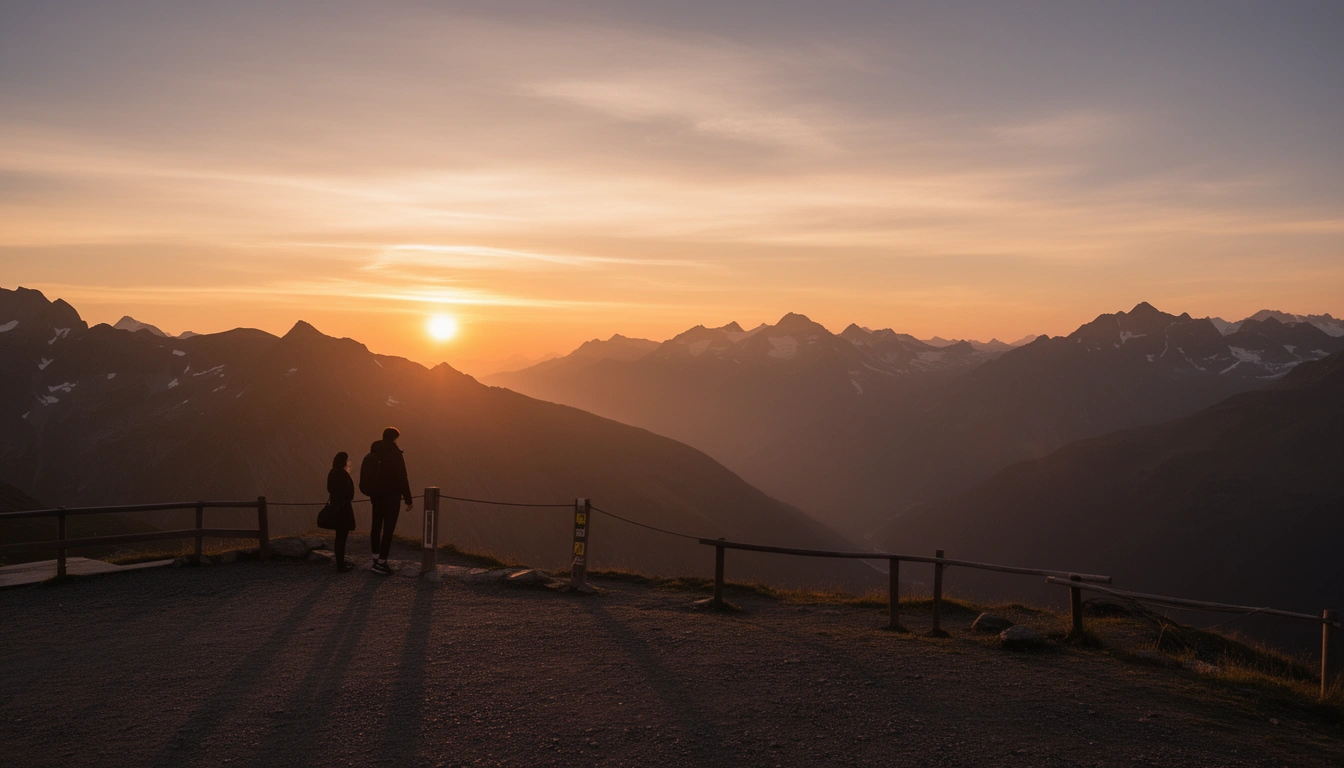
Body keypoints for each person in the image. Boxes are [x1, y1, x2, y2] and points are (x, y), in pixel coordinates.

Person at [360, 426, 413, 575]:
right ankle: (382, 563)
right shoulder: (395, 454)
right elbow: (403, 477)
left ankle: (375, 559)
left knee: (376, 526)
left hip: (376, 496)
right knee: (388, 529)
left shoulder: (374, 452)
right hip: (392, 497)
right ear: (395, 438)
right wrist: (408, 499)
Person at [317, 451, 357, 572]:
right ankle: (340, 564)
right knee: (342, 537)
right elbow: (350, 493)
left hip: (335, 506)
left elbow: (330, 489)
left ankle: (340, 562)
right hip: (343, 509)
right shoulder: (343, 474)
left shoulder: (332, 473)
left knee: (338, 537)